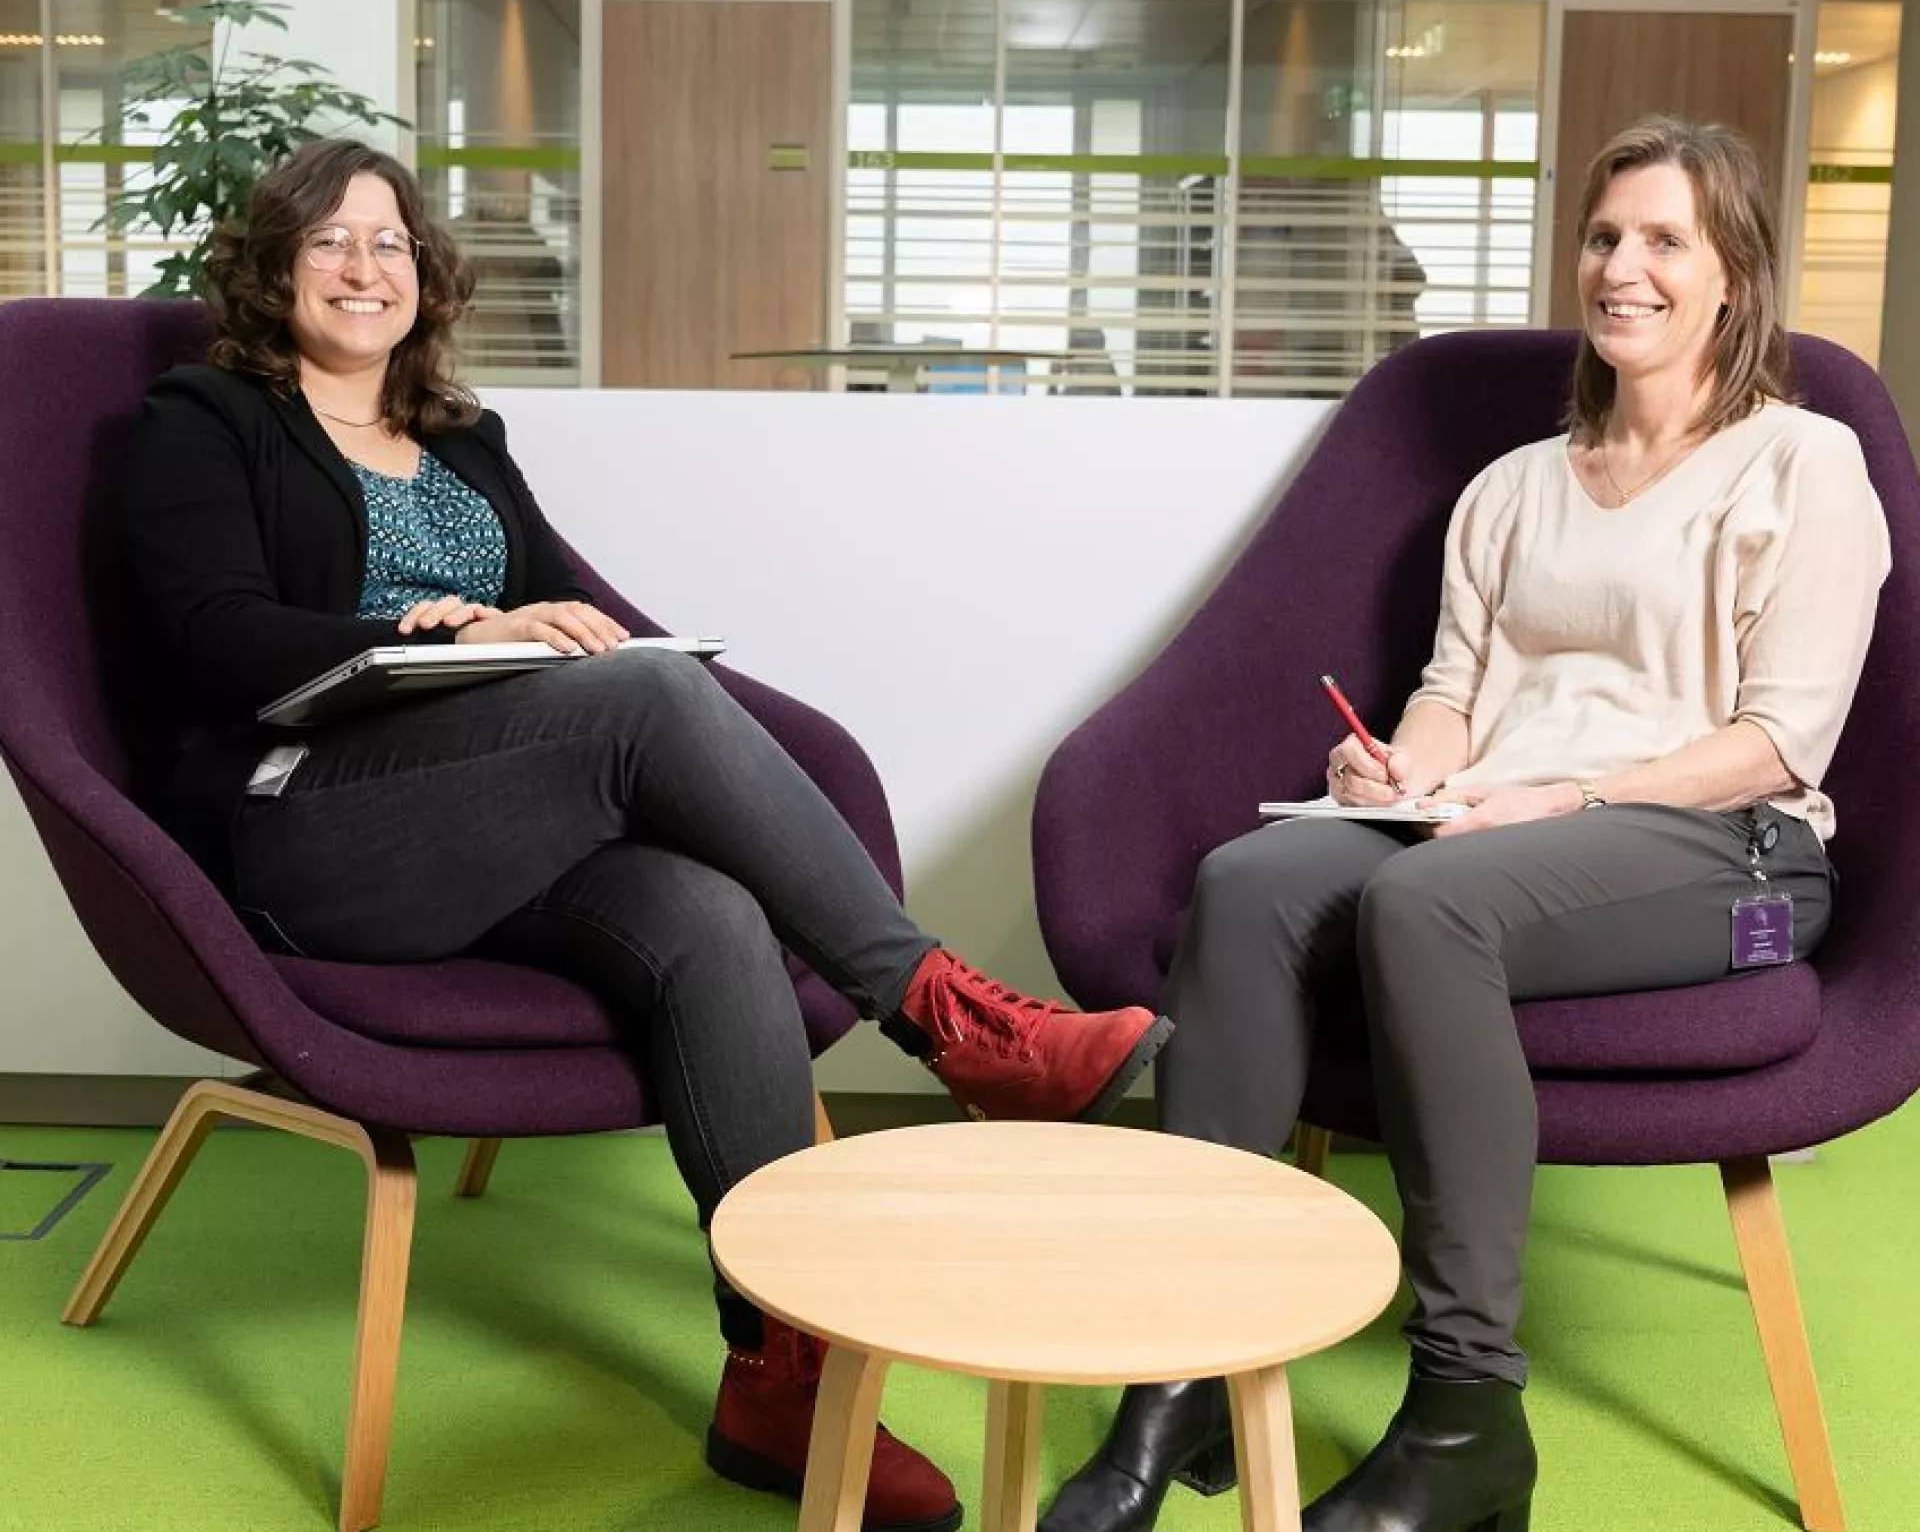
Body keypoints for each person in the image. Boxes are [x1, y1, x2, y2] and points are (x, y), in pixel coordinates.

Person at [117, 136, 1173, 1532]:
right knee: (652, 704)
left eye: (388, 242)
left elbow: (567, 609)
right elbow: (208, 639)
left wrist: (539, 630)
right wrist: (421, 633)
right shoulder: (204, 419)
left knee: (706, 915)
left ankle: (777, 1376)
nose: (363, 268)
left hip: (487, 824)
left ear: (424, 274)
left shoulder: (463, 441)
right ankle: (948, 1019)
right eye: (329, 242)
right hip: (314, 829)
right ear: (274, 267)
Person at [1040, 115, 1890, 1532]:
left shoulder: (1804, 465)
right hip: (1493, 820)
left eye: (1666, 240)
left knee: (1425, 906)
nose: (1625, 267)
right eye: (1606, 237)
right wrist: (1390, 768)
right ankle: (1184, 1370)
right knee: (1249, 881)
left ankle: (1465, 1418)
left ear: (1732, 272)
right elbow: (1454, 693)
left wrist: (1562, 796)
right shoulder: (1510, 488)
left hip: (1722, 845)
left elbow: (1777, 741)